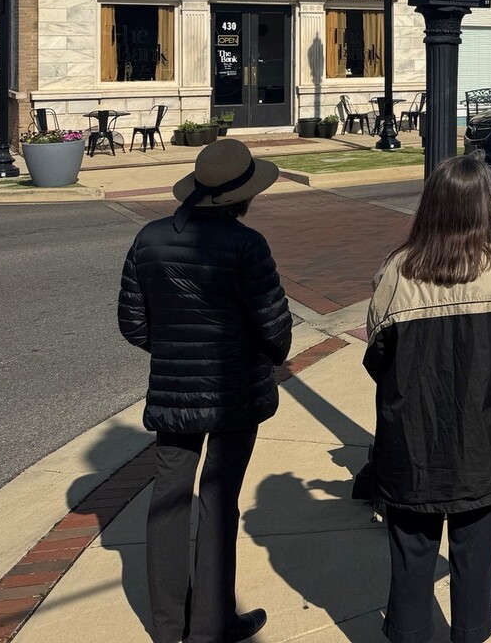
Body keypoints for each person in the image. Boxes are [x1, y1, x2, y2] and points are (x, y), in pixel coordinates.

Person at [365, 152, 491, 643]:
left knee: (410, 555)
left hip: (413, 439)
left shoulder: (395, 271)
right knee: (476, 555)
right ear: (480, 210)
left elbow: (377, 357)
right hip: (485, 440)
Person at [118, 139, 291, 643]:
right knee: (219, 499)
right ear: (241, 197)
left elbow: (133, 324)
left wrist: (174, 351)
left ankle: (168, 626)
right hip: (235, 391)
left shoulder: (149, 239)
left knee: (169, 498)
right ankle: (212, 625)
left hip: (174, 391)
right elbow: (274, 329)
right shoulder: (247, 245)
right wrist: (258, 358)